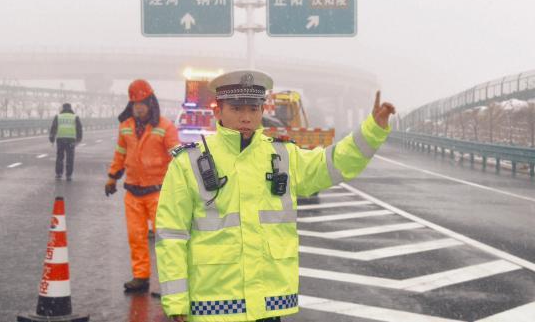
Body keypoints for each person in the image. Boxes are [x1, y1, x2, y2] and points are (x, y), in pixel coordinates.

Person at [155, 70, 396, 322]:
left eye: (253, 108)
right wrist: (176, 301)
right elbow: (171, 235)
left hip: (267, 308)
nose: (246, 117)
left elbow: (332, 164)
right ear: (218, 111)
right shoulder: (189, 162)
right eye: (237, 109)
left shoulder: (282, 157)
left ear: (262, 111)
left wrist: (372, 131)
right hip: (212, 309)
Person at [105, 79, 180, 292]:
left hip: (159, 192)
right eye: (135, 103)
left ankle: (170, 283)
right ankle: (140, 277)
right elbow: (120, 153)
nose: (138, 107)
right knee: (136, 237)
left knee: (166, 240)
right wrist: (112, 176)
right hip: (133, 192)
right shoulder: (126, 127)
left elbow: (177, 155)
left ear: (150, 103)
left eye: (142, 103)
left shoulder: (165, 127)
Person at [49, 103, 82, 181]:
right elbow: (79, 128)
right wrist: (79, 139)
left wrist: (52, 138)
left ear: (63, 108)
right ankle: (69, 175)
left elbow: (53, 128)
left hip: (60, 139)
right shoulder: (75, 117)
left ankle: (58, 174)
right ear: (71, 108)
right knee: (70, 158)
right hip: (71, 139)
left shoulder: (58, 116)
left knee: (60, 157)